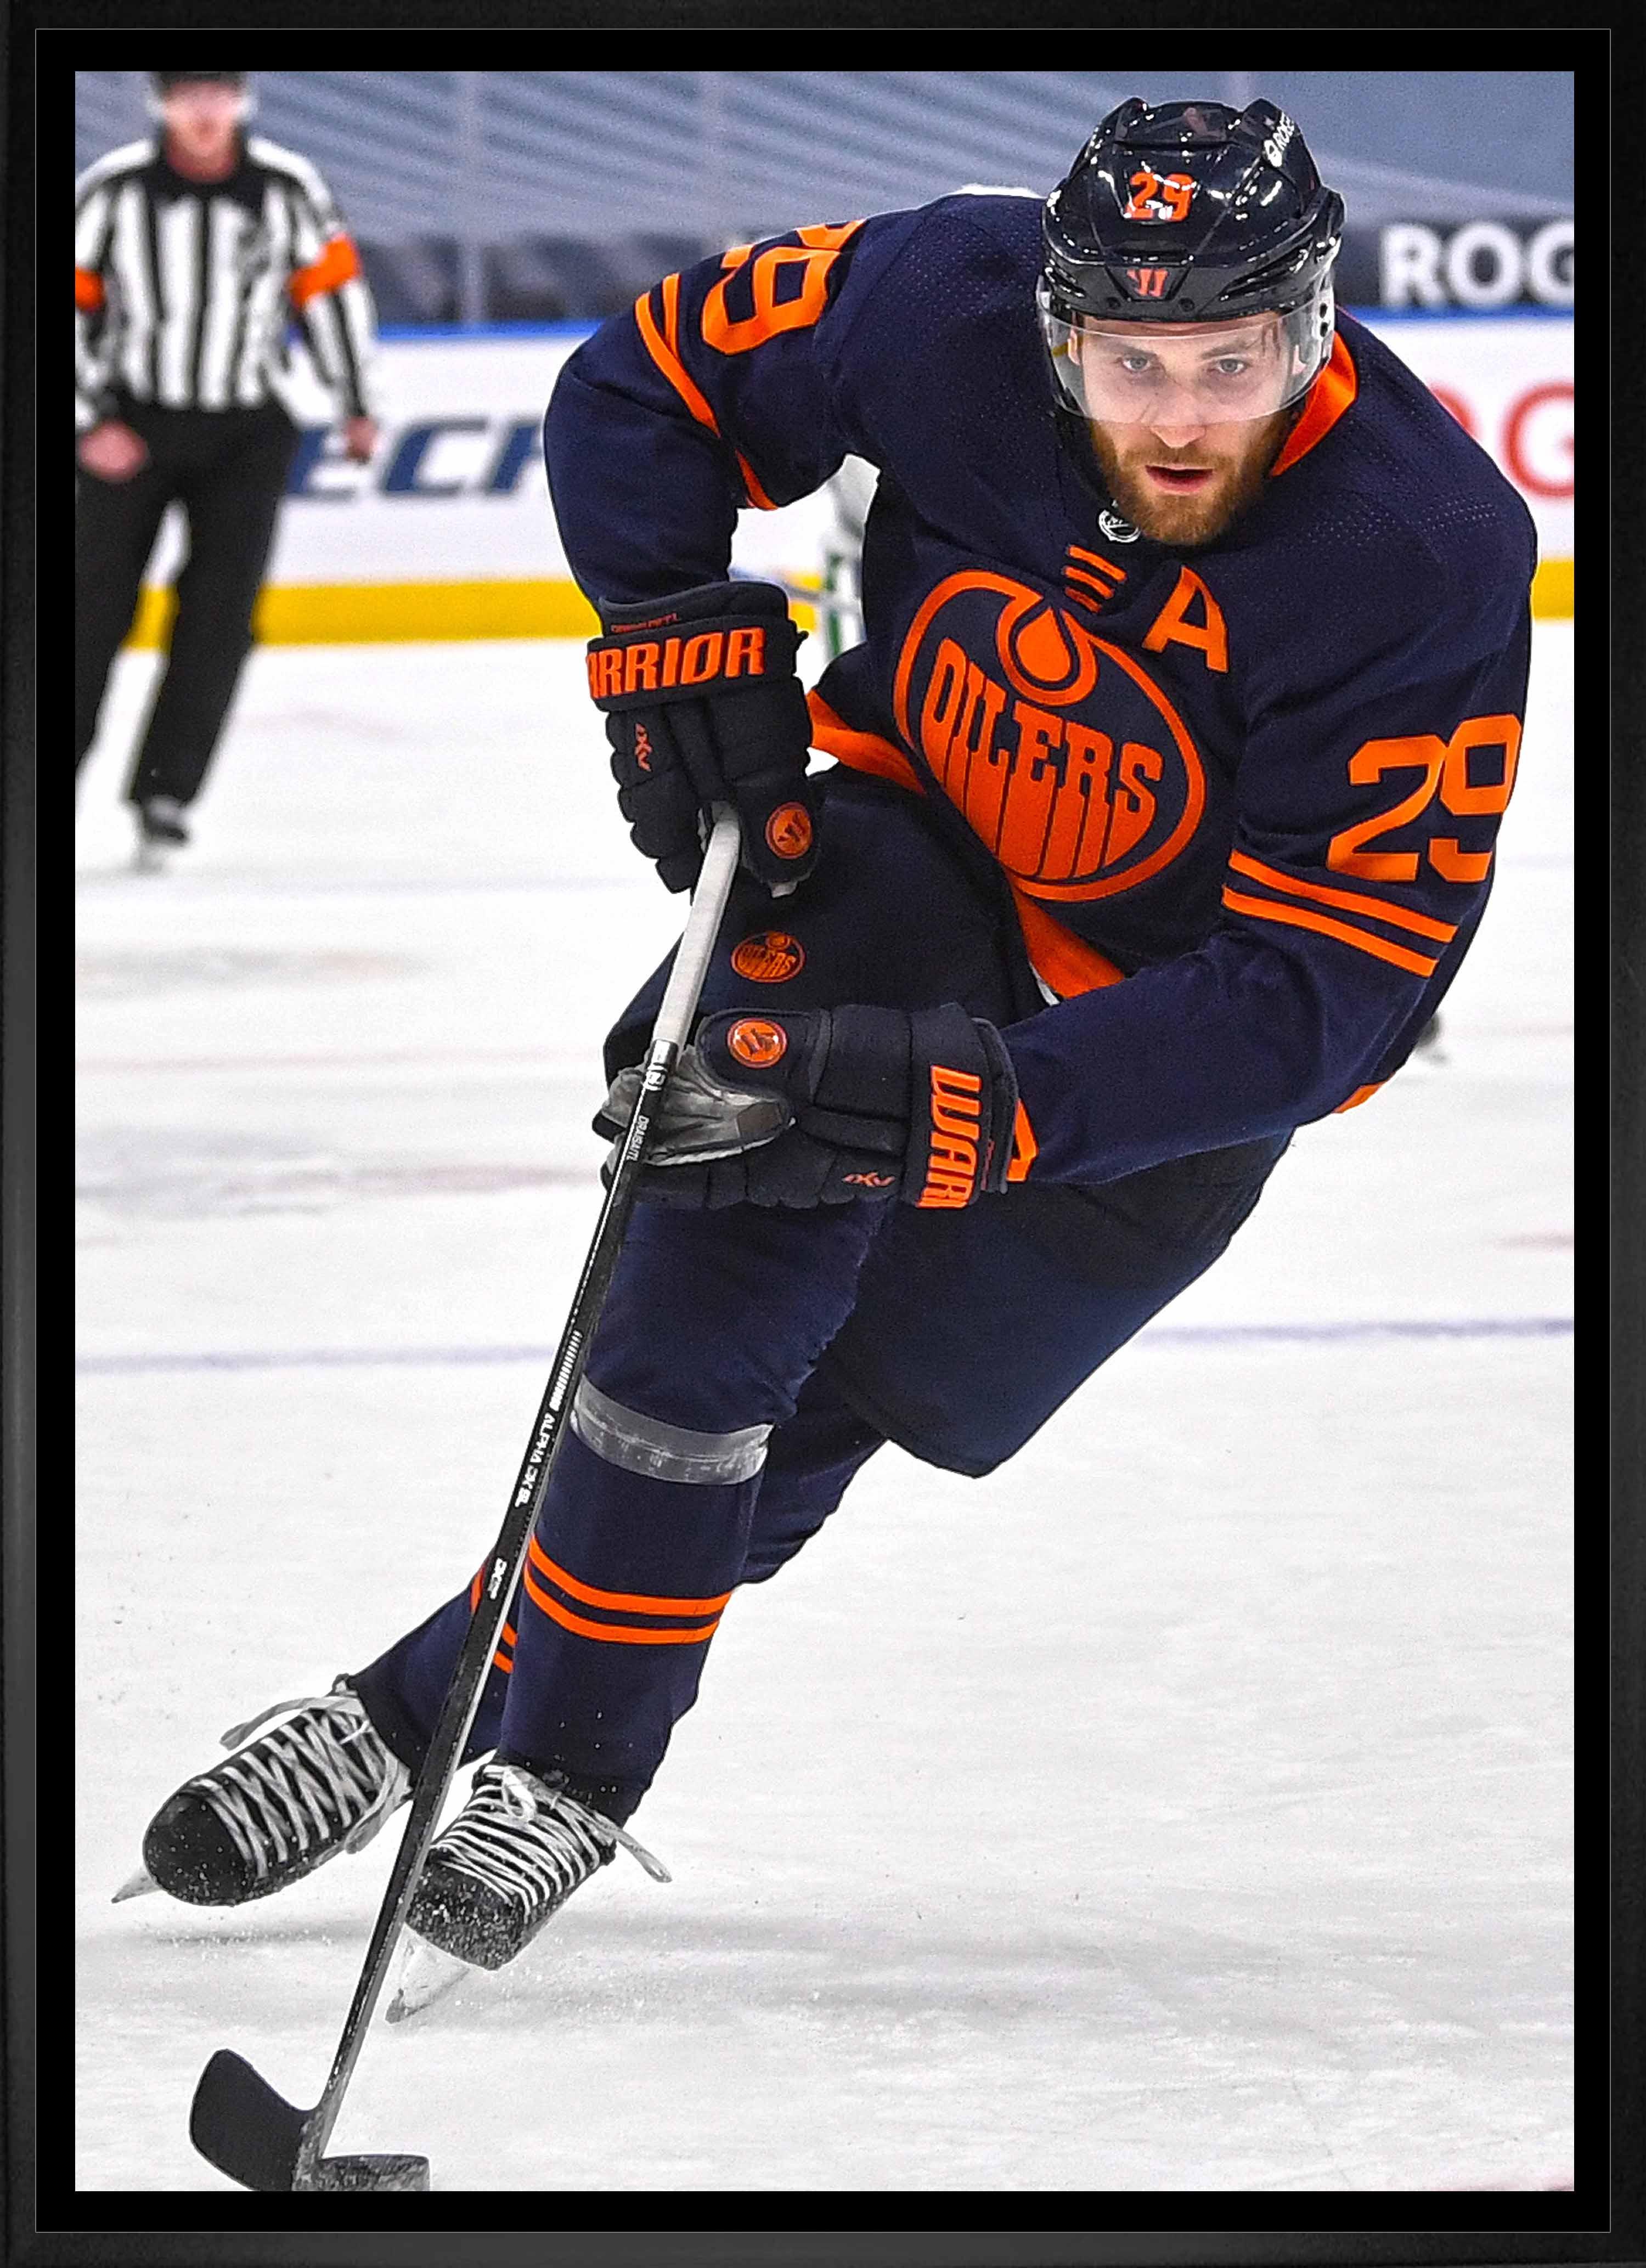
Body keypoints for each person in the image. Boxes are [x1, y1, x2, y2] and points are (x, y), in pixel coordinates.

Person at [120, 99, 1536, 2015]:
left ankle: (406, 1709)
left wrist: (1011, 1104)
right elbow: (643, 386)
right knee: (721, 1258)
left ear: (1318, 322)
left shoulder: (1427, 547)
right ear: (1051, 332)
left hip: (1163, 1041)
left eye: (1240, 361)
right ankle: (563, 1767)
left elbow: (1330, 992)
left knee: (818, 1420)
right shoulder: (933, 293)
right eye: (1132, 364)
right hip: (900, 846)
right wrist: (670, 621)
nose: (1184, 415)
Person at [75, 71, 380, 868]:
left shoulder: (287, 187)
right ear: (161, 104)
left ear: (241, 101)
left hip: (246, 429)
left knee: (219, 618)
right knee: (85, 612)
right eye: (188, 95)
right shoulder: (111, 192)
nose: (204, 111)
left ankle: (164, 794)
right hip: (130, 424)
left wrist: (358, 401)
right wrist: (89, 420)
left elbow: (332, 295)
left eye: (218, 93)